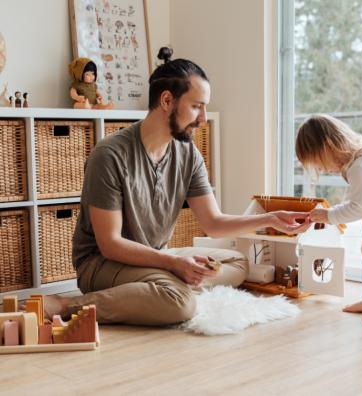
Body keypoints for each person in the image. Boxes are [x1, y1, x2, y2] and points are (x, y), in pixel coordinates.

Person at [45, 47, 310, 326]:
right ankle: (66, 306)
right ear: (167, 100)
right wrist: (172, 265)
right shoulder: (110, 155)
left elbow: (214, 223)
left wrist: (270, 219)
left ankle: (159, 287)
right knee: (181, 304)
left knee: (236, 263)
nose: (203, 118)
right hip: (102, 265)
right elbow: (110, 245)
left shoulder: (188, 154)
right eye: (196, 106)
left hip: (157, 256)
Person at [296, 113, 362, 325]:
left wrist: (329, 215)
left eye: (319, 163)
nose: (322, 169)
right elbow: (359, 202)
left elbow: (359, 207)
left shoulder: (360, 166)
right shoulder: (359, 161)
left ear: (328, 147)